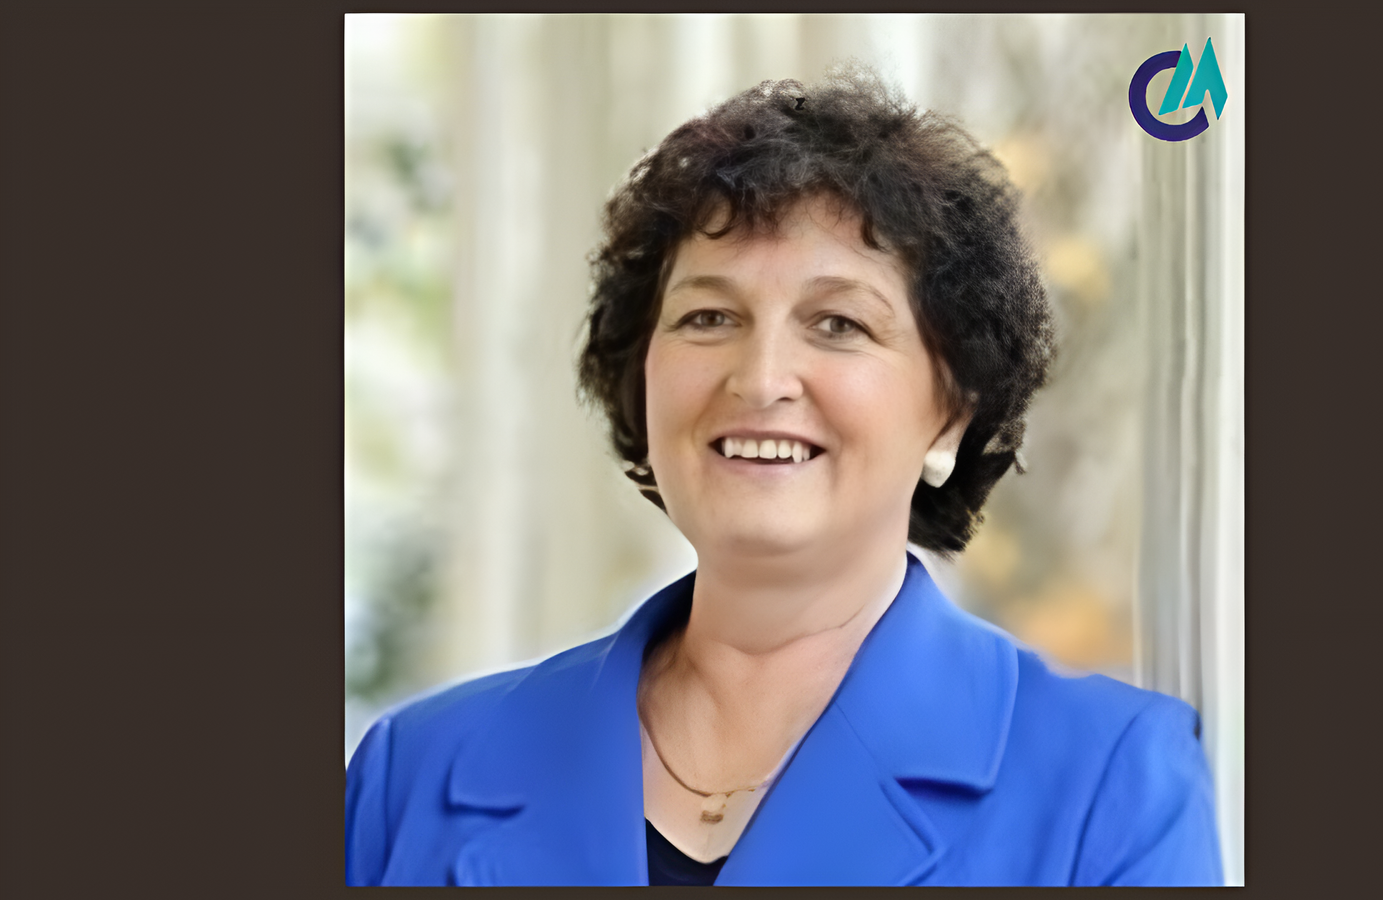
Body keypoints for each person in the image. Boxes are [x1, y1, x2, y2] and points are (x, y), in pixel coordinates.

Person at [345, 67, 1223, 886]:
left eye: (839, 324)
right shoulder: (410, 777)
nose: (760, 379)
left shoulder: (1111, 787)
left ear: (951, 415)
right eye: (708, 316)